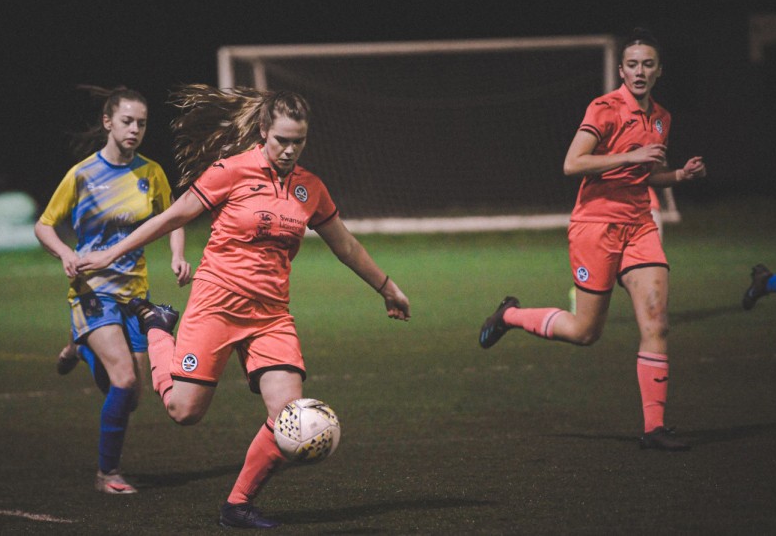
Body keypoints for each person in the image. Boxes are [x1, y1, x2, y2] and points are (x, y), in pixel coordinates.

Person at [77, 84, 411, 527]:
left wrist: (386, 287)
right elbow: (172, 217)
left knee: (287, 416)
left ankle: (238, 505)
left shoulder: (310, 190)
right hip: (215, 305)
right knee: (184, 411)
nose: (290, 150)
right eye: (282, 140)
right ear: (262, 131)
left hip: (271, 316)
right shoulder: (229, 172)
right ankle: (159, 329)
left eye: (299, 142)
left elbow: (344, 245)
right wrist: (107, 255)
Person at [478, 28, 706, 451]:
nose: (640, 71)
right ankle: (510, 316)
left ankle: (654, 429)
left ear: (659, 71)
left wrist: (678, 176)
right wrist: (630, 155)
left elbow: (645, 175)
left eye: (648, 64)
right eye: (633, 64)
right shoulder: (604, 109)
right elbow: (572, 163)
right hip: (595, 227)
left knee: (657, 321)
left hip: (639, 225)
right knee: (585, 332)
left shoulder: (661, 118)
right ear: (621, 70)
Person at [34, 86, 191, 494]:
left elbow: (174, 217)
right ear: (108, 122)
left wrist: (177, 255)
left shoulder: (150, 173)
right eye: (127, 121)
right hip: (91, 290)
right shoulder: (83, 174)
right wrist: (65, 252)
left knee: (134, 396)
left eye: (141, 123)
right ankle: (108, 473)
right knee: (122, 381)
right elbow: (44, 225)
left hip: (133, 296)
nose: (135, 129)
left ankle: (78, 345)